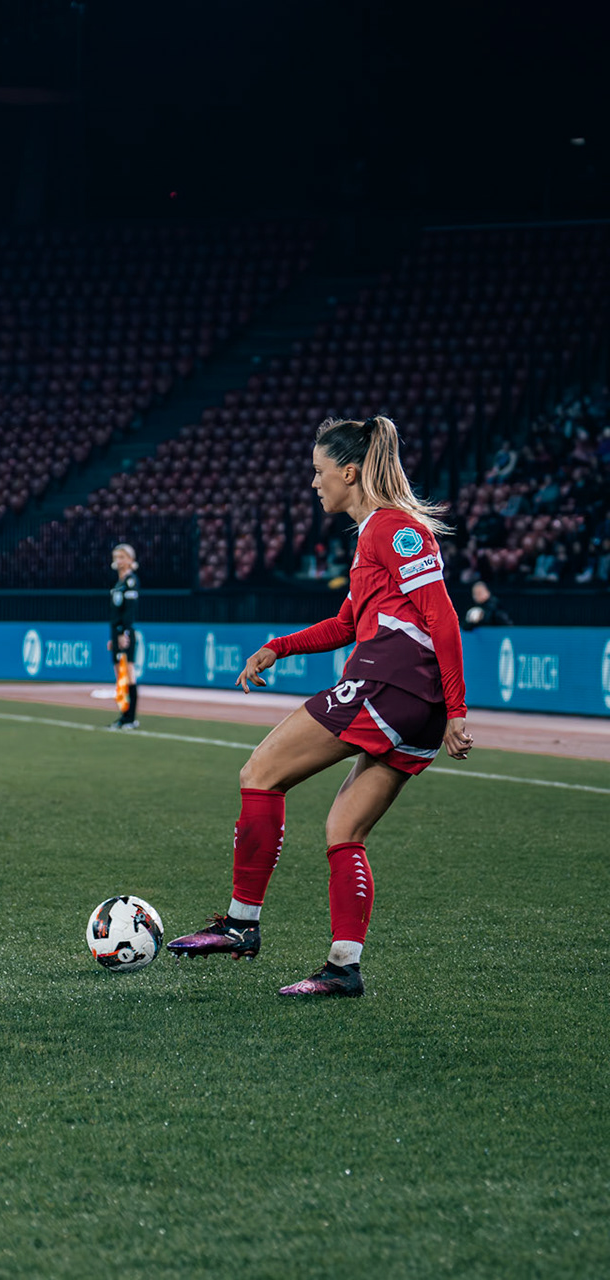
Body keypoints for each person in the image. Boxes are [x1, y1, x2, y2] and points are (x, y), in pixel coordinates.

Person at [167, 416, 472, 998]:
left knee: (260, 773)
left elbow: (443, 615)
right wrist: (278, 647)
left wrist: (459, 708)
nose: (315, 483)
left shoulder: (393, 528)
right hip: (417, 712)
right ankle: (343, 968)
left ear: (350, 472)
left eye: (319, 472)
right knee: (344, 830)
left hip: (391, 686)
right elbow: (347, 623)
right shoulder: (373, 536)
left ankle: (240, 925)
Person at [107, 543, 140, 730]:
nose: (118, 561)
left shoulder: (131, 581)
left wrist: (123, 633)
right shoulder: (118, 583)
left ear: (130, 560)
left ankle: (131, 718)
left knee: (128, 674)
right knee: (120, 677)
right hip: (117, 633)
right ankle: (123, 716)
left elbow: (129, 612)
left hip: (125, 633)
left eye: (122, 557)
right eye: (116, 557)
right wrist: (113, 635)